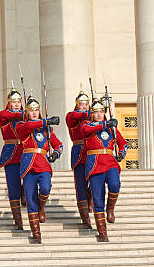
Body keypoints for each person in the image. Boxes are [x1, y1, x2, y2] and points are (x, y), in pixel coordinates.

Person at [14, 97, 62, 244]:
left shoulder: (46, 130)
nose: (34, 113)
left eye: (36, 110)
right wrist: (46, 121)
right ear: (26, 112)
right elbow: (28, 126)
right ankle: (36, 233)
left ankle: (42, 207)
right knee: (30, 199)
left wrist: (56, 153)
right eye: (31, 110)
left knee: (46, 188)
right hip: (28, 166)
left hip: (43, 164)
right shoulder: (22, 126)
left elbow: (58, 144)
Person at [79, 98, 128, 242]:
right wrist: (105, 123)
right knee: (97, 197)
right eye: (96, 112)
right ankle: (102, 231)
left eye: (101, 112)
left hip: (110, 162)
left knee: (115, 185)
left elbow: (123, 143)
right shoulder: (86, 125)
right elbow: (87, 130)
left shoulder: (110, 128)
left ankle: (110, 208)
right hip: (94, 164)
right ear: (91, 114)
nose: (99, 114)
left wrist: (121, 153)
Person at [0, 88, 26, 231]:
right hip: (11, 156)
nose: (16, 104)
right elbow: (3, 115)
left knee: (30, 183)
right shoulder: (4, 116)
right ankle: (18, 221)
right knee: (13, 189)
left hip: (25, 154)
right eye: (13, 102)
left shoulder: (25, 117)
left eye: (19, 102)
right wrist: (23, 113)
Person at [66, 90, 93, 229]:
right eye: (82, 104)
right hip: (79, 155)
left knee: (96, 183)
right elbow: (75, 116)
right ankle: (85, 219)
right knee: (81, 186)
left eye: (87, 104)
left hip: (93, 154)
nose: (84, 106)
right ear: (77, 105)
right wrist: (91, 112)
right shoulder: (72, 116)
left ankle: (91, 198)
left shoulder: (93, 117)